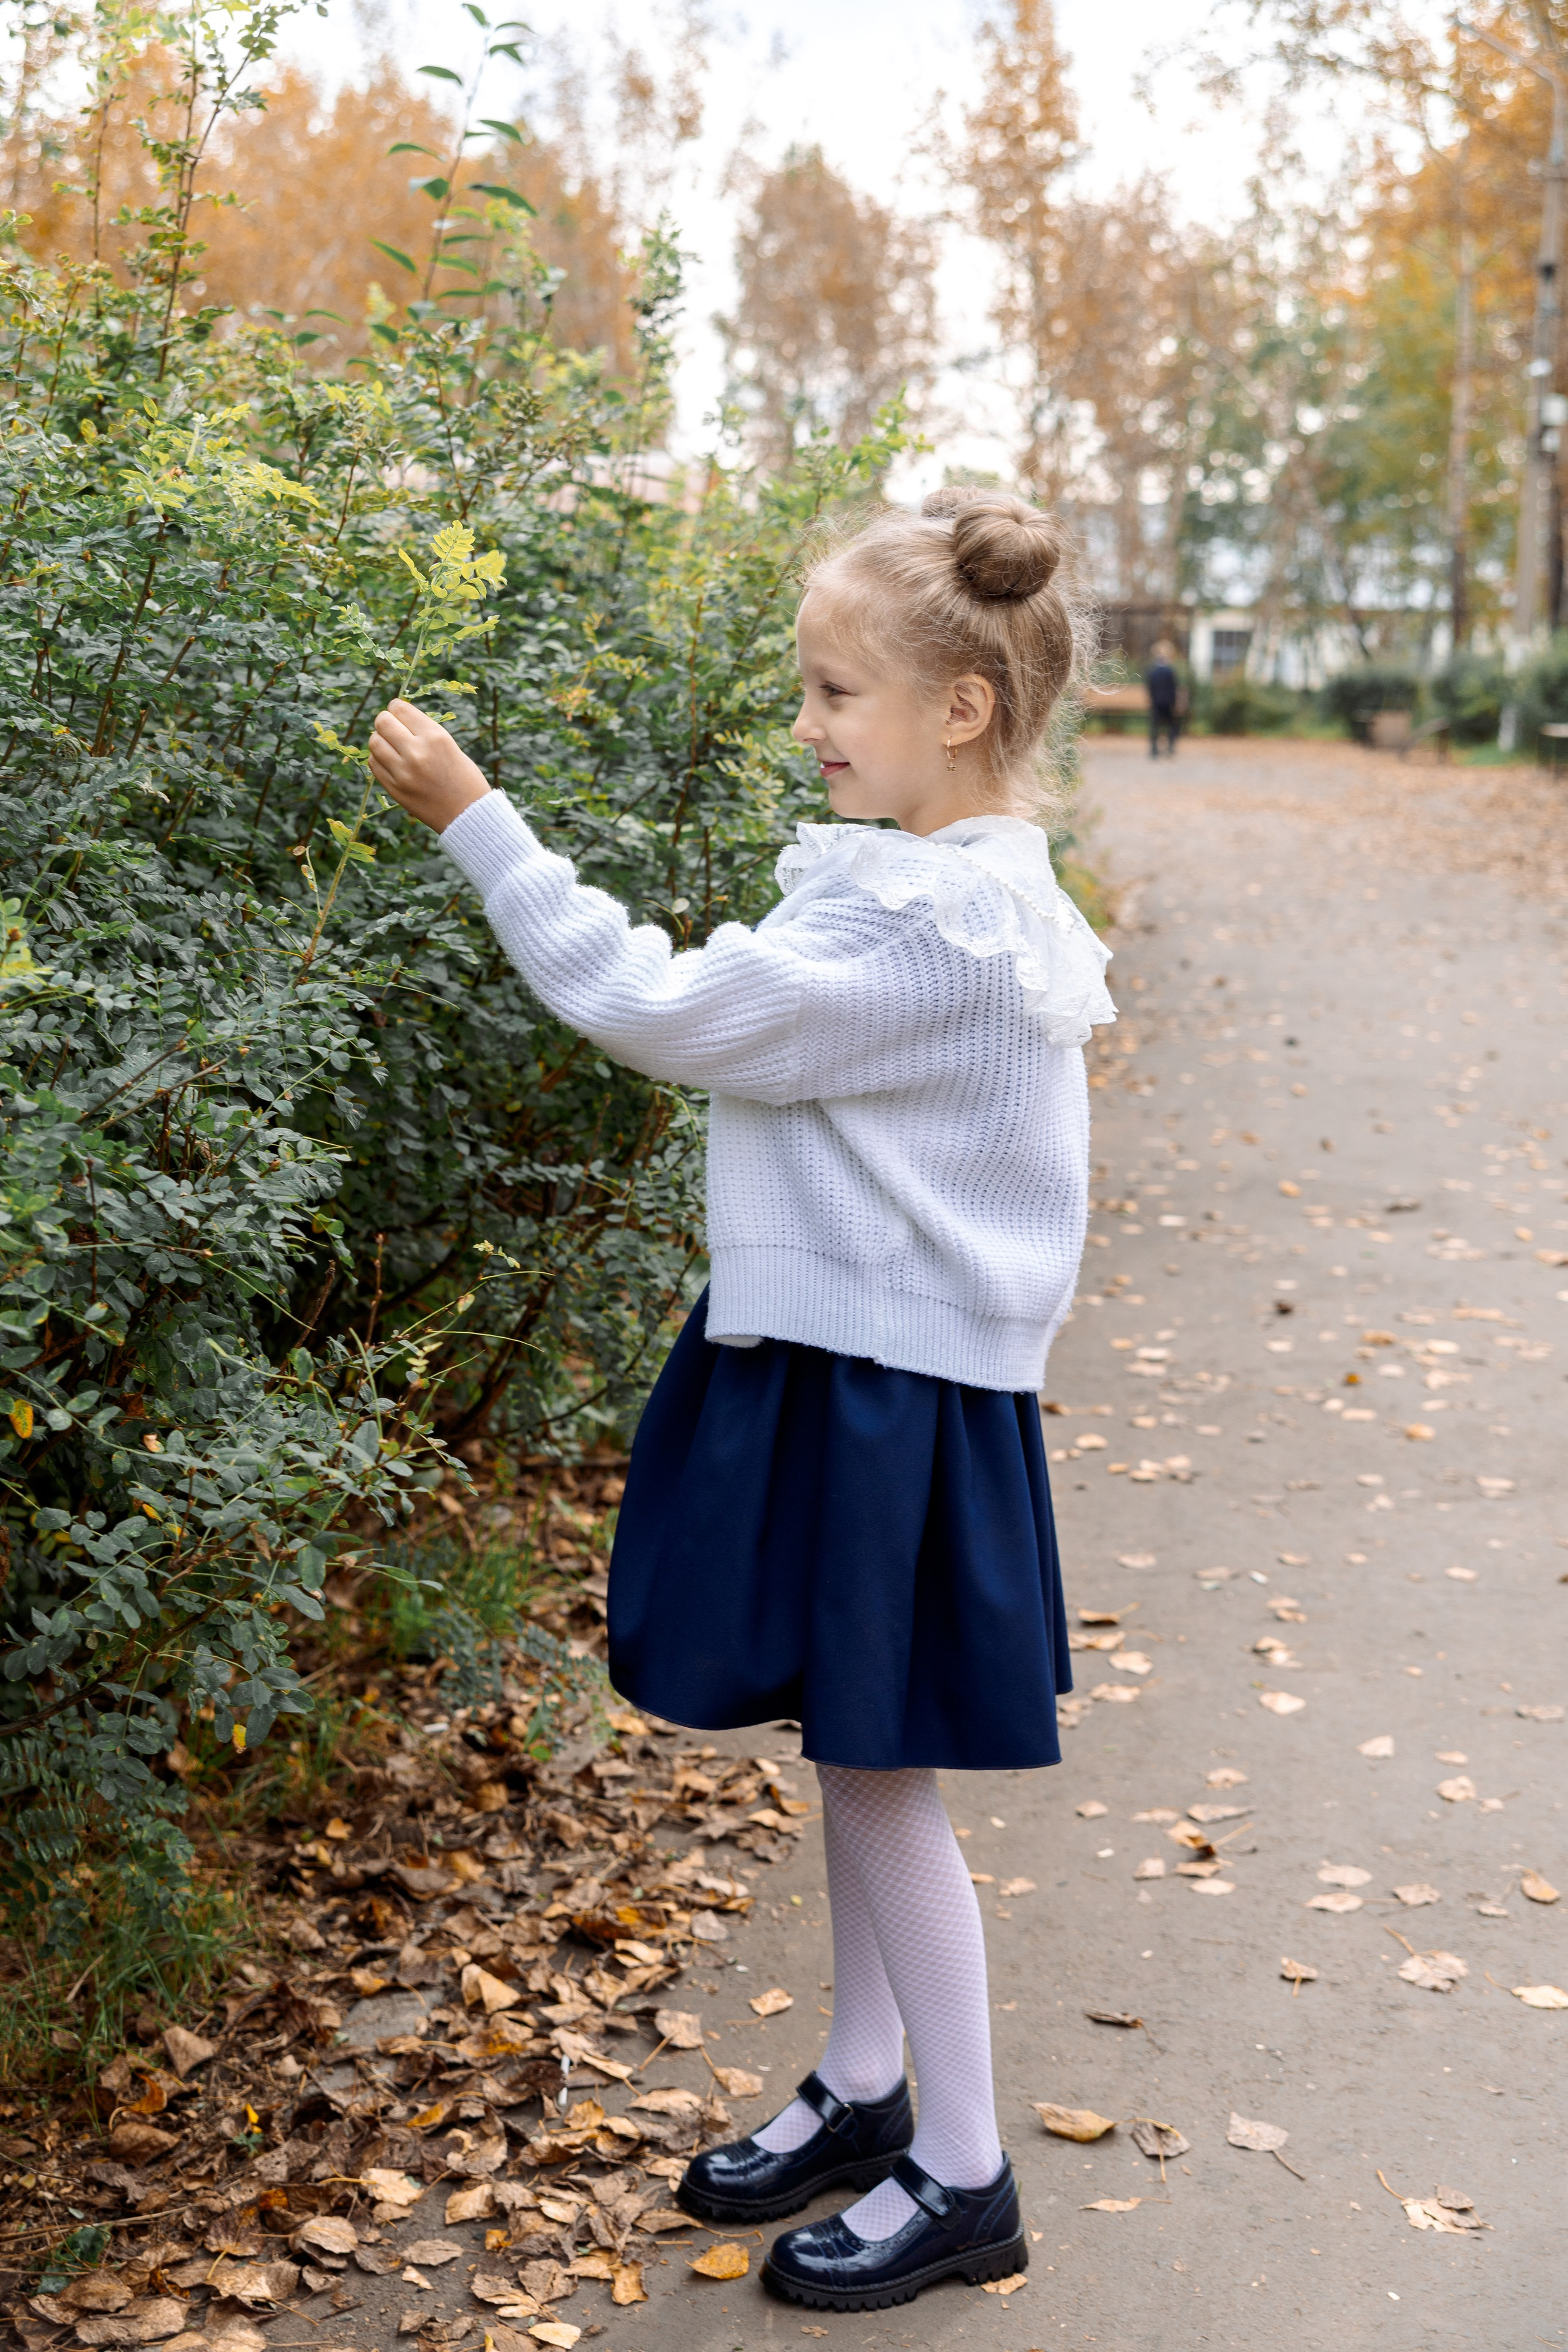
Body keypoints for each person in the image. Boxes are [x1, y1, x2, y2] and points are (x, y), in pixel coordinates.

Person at [368, 488, 1116, 2316]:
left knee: (875, 1777)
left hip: (890, 1389)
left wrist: (482, 827)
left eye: (833, 689)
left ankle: (963, 2166)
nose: (806, 721)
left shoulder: (934, 936)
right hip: (852, 1365)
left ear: (959, 708)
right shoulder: (929, 882)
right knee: (847, 1745)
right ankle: (867, 2084)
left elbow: (662, 1004)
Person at [1145, 637, 1181, 757]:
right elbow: (1173, 689)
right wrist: (1174, 702)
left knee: (1155, 726)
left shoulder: (1153, 671)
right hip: (1168, 703)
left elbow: (1150, 688)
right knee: (1172, 725)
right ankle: (1170, 747)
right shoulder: (1170, 671)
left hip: (1156, 702)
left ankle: (1154, 749)